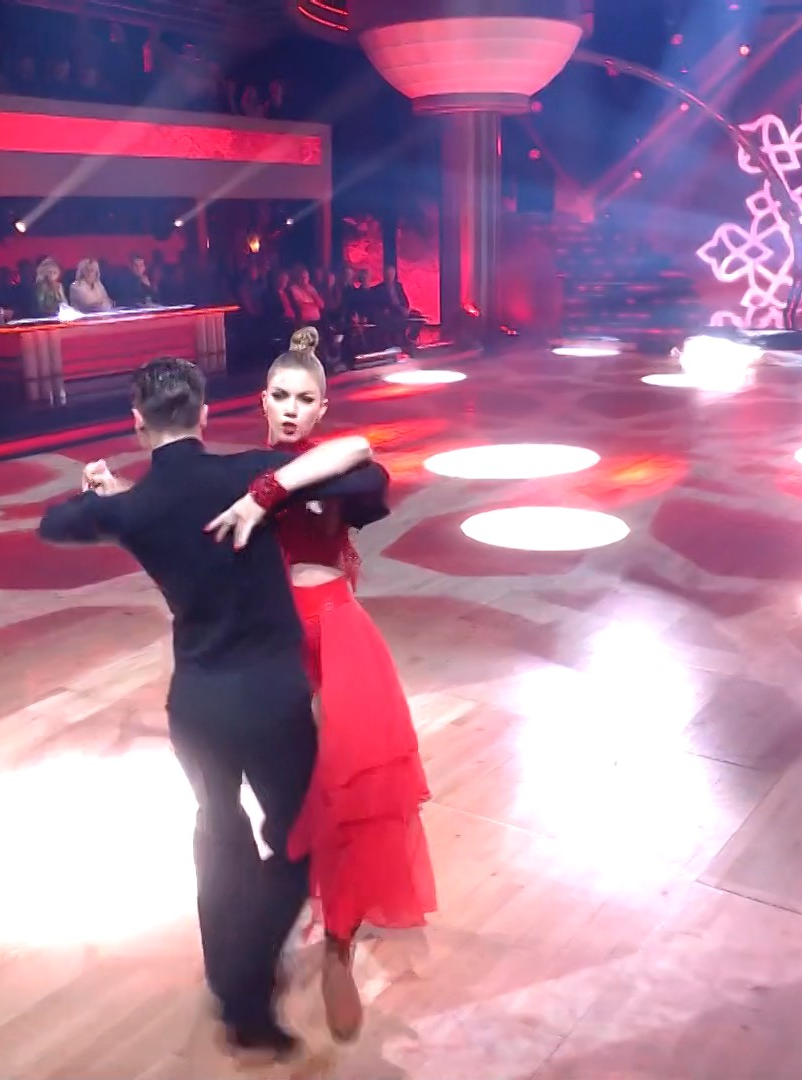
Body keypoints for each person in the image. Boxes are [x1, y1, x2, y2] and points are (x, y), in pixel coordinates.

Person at [35, 356, 389, 1062]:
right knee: (298, 844)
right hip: (270, 702)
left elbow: (55, 524)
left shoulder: (133, 508)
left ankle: (232, 983)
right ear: (204, 415)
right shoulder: (244, 473)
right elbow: (363, 466)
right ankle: (243, 978)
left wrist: (106, 494)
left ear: (137, 424)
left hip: (195, 705)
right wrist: (267, 493)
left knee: (217, 832)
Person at [259, 335, 434, 1042]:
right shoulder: (244, 469)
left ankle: (338, 948)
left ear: (321, 408)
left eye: (305, 399)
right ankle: (284, 920)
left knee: (350, 798)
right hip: (274, 644)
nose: (291, 409)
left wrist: (273, 489)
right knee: (288, 796)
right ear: (262, 401)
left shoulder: (336, 473)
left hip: (337, 639)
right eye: (280, 396)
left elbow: (365, 460)